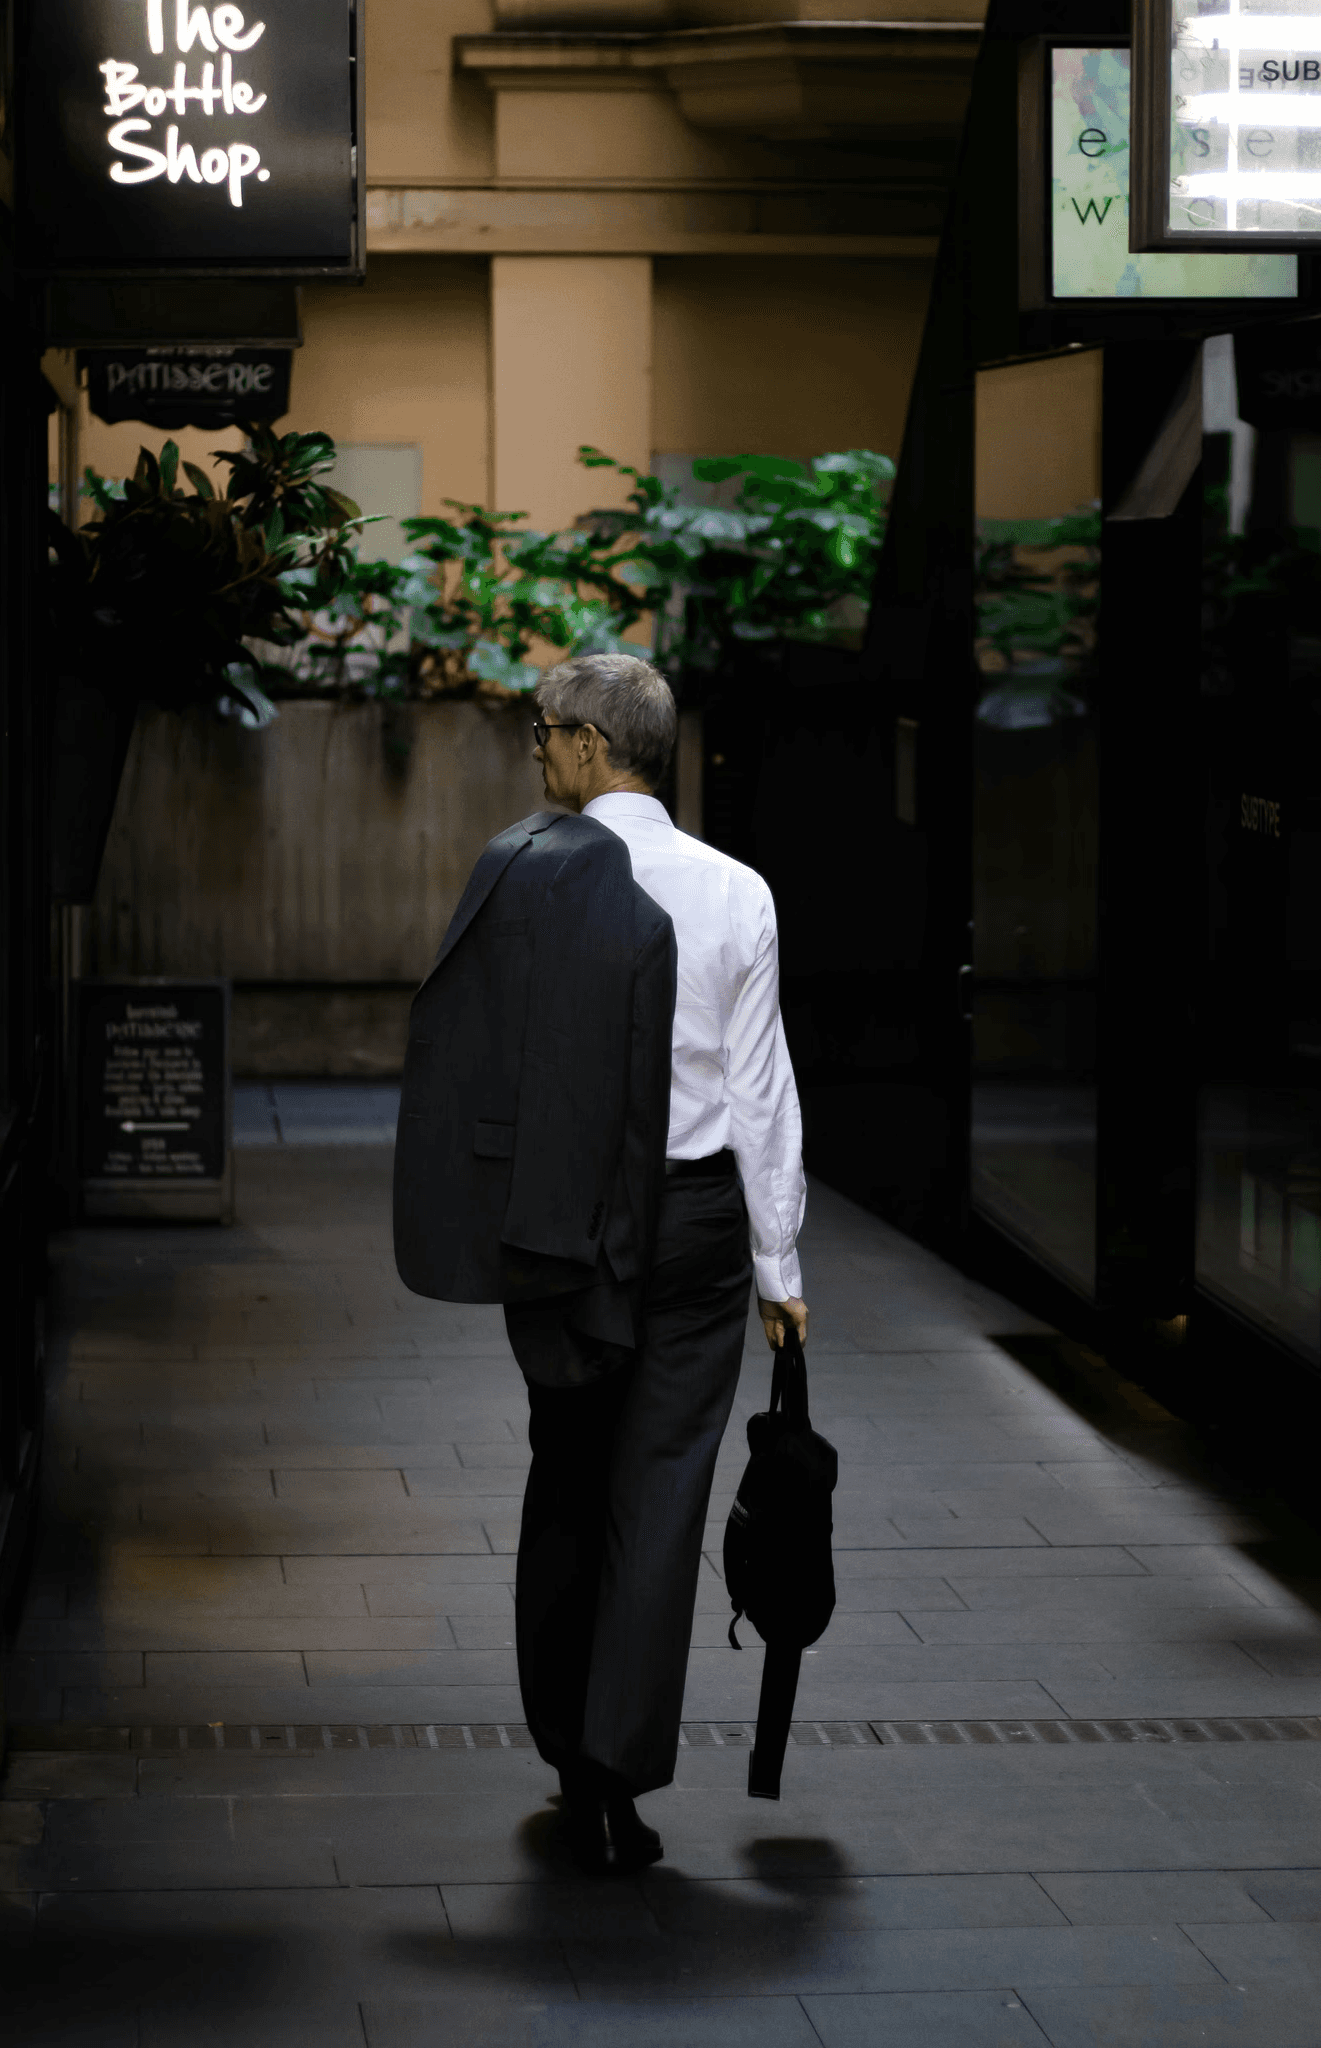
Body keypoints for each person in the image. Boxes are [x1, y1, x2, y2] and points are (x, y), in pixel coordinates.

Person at [517, 650, 808, 1876]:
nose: (537, 754)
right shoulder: (738, 889)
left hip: (572, 1229)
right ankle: (615, 1776)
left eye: (544, 735)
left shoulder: (531, 880)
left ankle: (560, 1745)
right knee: (662, 1493)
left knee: (568, 1474)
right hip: (695, 1230)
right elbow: (761, 1091)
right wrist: (778, 1262)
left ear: (590, 747)